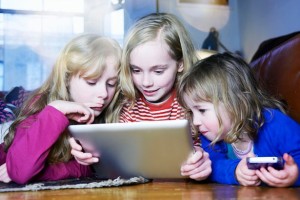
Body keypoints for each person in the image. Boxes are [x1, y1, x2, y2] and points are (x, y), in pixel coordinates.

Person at [70, 13, 212, 181]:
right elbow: (107, 151)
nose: (146, 82)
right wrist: (84, 151)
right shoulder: (123, 100)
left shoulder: (194, 102)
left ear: (180, 64)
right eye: (136, 70)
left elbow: (215, 146)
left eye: (158, 71)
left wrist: (202, 159)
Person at [0, 34, 122, 184]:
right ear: (67, 79)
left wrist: (45, 172)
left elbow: (88, 168)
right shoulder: (41, 106)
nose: (103, 93)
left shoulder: (107, 115)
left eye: (111, 84)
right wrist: (55, 110)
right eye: (92, 82)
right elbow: (20, 171)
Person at [177, 52, 300, 187]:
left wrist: (295, 175)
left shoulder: (276, 123)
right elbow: (212, 165)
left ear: (236, 102)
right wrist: (235, 172)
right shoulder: (212, 135)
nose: (195, 122)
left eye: (201, 110)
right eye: (191, 112)